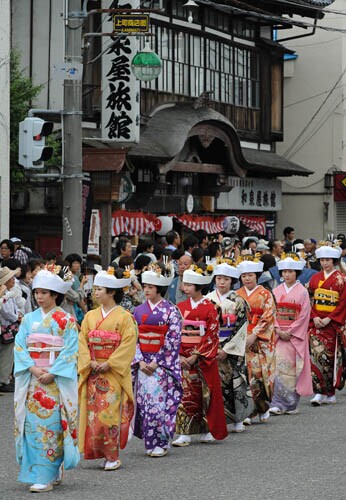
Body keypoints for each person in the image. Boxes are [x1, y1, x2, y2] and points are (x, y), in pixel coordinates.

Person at [13, 267, 79, 492]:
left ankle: (48, 474)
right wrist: (32, 368)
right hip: (34, 381)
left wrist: (54, 372)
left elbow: (71, 349)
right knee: (32, 427)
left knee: (52, 427)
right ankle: (41, 473)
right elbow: (20, 346)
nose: (39, 297)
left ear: (55, 295)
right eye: (37, 293)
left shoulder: (66, 320)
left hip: (54, 382)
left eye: (44, 293)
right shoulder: (29, 319)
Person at [78, 267, 137, 471]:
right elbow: (82, 341)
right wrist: (90, 361)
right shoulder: (90, 316)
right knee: (93, 414)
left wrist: (110, 363)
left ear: (112, 292)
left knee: (109, 414)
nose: (95, 293)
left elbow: (128, 343)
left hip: (111, 371)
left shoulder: (124, 317)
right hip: (94, 369)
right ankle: (97, 451)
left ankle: (112, 455)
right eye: (95, 289)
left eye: (99, 289)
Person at [172, 265, 227, 446]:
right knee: (185, 395)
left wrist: (196, 355)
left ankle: (206, 429)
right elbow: (173, 333)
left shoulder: (210, 308)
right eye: (184, 284)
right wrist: (180, 355)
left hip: (202, 357)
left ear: (198, 286)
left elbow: (212, 334)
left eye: (188, 285)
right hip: (183, 357)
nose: (184, 288)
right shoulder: (179, 308)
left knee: (205, 394)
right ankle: (184, 432)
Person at [132, 262, 182, 457]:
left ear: (159, 288)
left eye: (150, 287)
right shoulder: (137, 311)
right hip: (143, 361)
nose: (146, 290)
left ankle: (160, 441)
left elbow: (173, 338)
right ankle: (150, 441)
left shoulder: (171, 311)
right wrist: (140, 360)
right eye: (145, 287)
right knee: (145, 403)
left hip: (160, 364)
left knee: (158, 404)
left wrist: (157, 361)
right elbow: (133, 337)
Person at [206, 261, 253, 433]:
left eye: (226, 279)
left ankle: (238, 418)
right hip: (212, 346)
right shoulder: (208, 299)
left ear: (232, 281)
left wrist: (226, 349)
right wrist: (212, 347)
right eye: (219, 278)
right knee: (215, 385)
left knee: (235, 382)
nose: (221, 282)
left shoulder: (239, 301)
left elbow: (241, 328)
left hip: (232, 348)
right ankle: (218, 420)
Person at [269, 254, 313, 415]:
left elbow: (304, 315)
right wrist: (278, 329)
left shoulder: (302, 292)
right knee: (278, 368)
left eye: (291, 271)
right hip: (279, 333)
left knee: (293, 369)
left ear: (297, 273)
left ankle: (291, 403)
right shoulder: (276, 290)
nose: (287, 275)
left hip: (294, 335)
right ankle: (277, 403)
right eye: (284, 272)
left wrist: (291, 331)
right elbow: (271, 312)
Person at [236, 256, 276, 423]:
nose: (247, 278)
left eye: (250, 275)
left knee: (260, 376)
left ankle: (263, 406)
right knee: (245, 375)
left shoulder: (265, 294)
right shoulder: (237, 294)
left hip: (260, 339)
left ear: (257, 276)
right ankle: (249, 412)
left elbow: (268, 316)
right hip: (241, 338)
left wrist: (255, 334)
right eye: (244, 275)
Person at [308, 244, 346, 405]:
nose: (325, 263)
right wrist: (315, 316)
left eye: (328, 260)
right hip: (317, 323)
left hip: (333, 324)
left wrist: (330, 318)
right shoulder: (315, 278)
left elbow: (343, 303)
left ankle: (330, 391)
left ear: (334, 260)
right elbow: (311, 300)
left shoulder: (342, 279)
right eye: (322, 260)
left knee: (330, 358)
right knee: (316, 357)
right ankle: (318, 391)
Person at [0, 267, 20, 393]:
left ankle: (5, 378)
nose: (13, 280)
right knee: (6, 355)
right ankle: (3, 380)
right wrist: (16, 318)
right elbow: (6, 311)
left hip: (8, 326)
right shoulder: (4, 294)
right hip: (6, 326)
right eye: (10, 278)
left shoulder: (9, 292)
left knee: (7, 354)